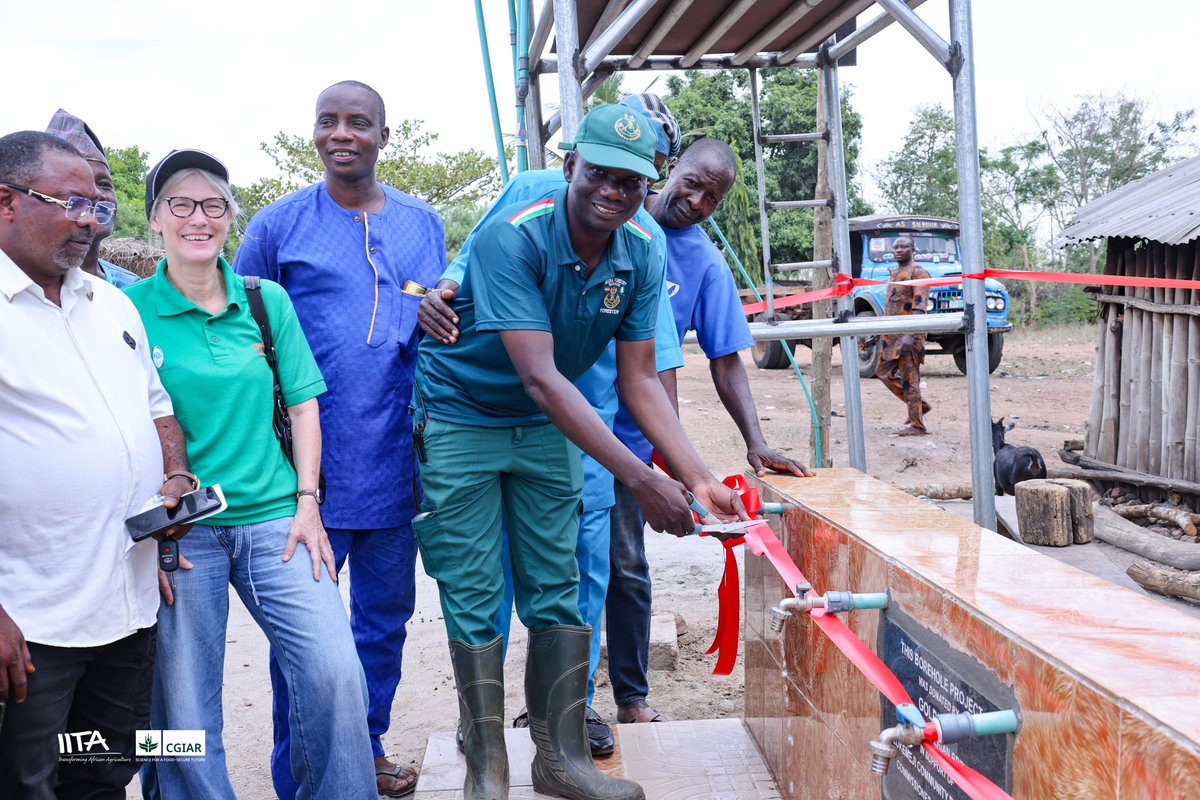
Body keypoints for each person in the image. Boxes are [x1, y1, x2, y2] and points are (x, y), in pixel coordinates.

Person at [413, 104, 748, 800]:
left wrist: (694, 476)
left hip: (547, 429)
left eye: (630, 180)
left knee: (556, 586)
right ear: (570, 166)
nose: (613, 191)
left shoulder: (642, 251)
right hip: (464, 414)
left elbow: (638, 381)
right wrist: (638, 478)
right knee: (475, 592)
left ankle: (560, 758)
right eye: (598, 173)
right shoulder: (517, 234)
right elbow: (539, 376)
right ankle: (486, 767)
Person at [125, 149, 374, 800]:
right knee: (179, 706)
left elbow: (303, 402)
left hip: (275, 519)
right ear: (155, 220)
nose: (197, 217)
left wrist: (308, 500)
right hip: (182, 536)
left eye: (213, 204)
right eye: (180, 203)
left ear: (231, 218)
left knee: (334, 673)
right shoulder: (126, 311)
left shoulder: (266, 302)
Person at [234, 80, 444, 799]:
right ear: (314, 134)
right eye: (328, 122)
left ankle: (368, 744)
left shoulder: (423, 223)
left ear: (385, 136)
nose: (342, 133)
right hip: (305, 478)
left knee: (384, 624)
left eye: (359, 122)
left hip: (394, 464)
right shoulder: (278, 226)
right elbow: (242, 334)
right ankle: (303, 776)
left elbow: (433, 316)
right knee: (307, 646)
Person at [0, 131, 193, 798]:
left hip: (128, 606)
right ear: (5, 201)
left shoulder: (110, 302)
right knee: (29, 785)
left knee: (104, 774)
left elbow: (157, 405)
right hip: (30, 625)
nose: (89, 221)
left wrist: (174, 478)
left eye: (96, 206)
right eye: (69, 203)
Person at [606, 138, 814, 726]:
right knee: (557, 568)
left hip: (632, 440)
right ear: (670, 170)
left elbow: (727, 361)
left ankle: (630, 696)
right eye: (691, 183)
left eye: (711, 197)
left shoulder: (703, 263)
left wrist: (756, 441)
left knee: (624, 565)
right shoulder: (610, 212)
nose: (695, 201)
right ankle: (551, 710)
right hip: (564, 421)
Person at [44, 109, 139, 287]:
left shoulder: (131, 289)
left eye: (104, 184)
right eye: (78, 183)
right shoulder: (17, 287)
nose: (96, 194)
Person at [874, 235, 931, 436]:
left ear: (913, 249)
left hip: (909, 335)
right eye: (896, 247)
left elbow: (919, 307)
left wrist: (909, 335)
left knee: (910, 378)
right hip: (891, 335)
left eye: (904, 247)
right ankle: (919, 405)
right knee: (882, 372)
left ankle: (917, 425)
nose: (899, 250)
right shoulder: (895, 273)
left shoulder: (918, 272)